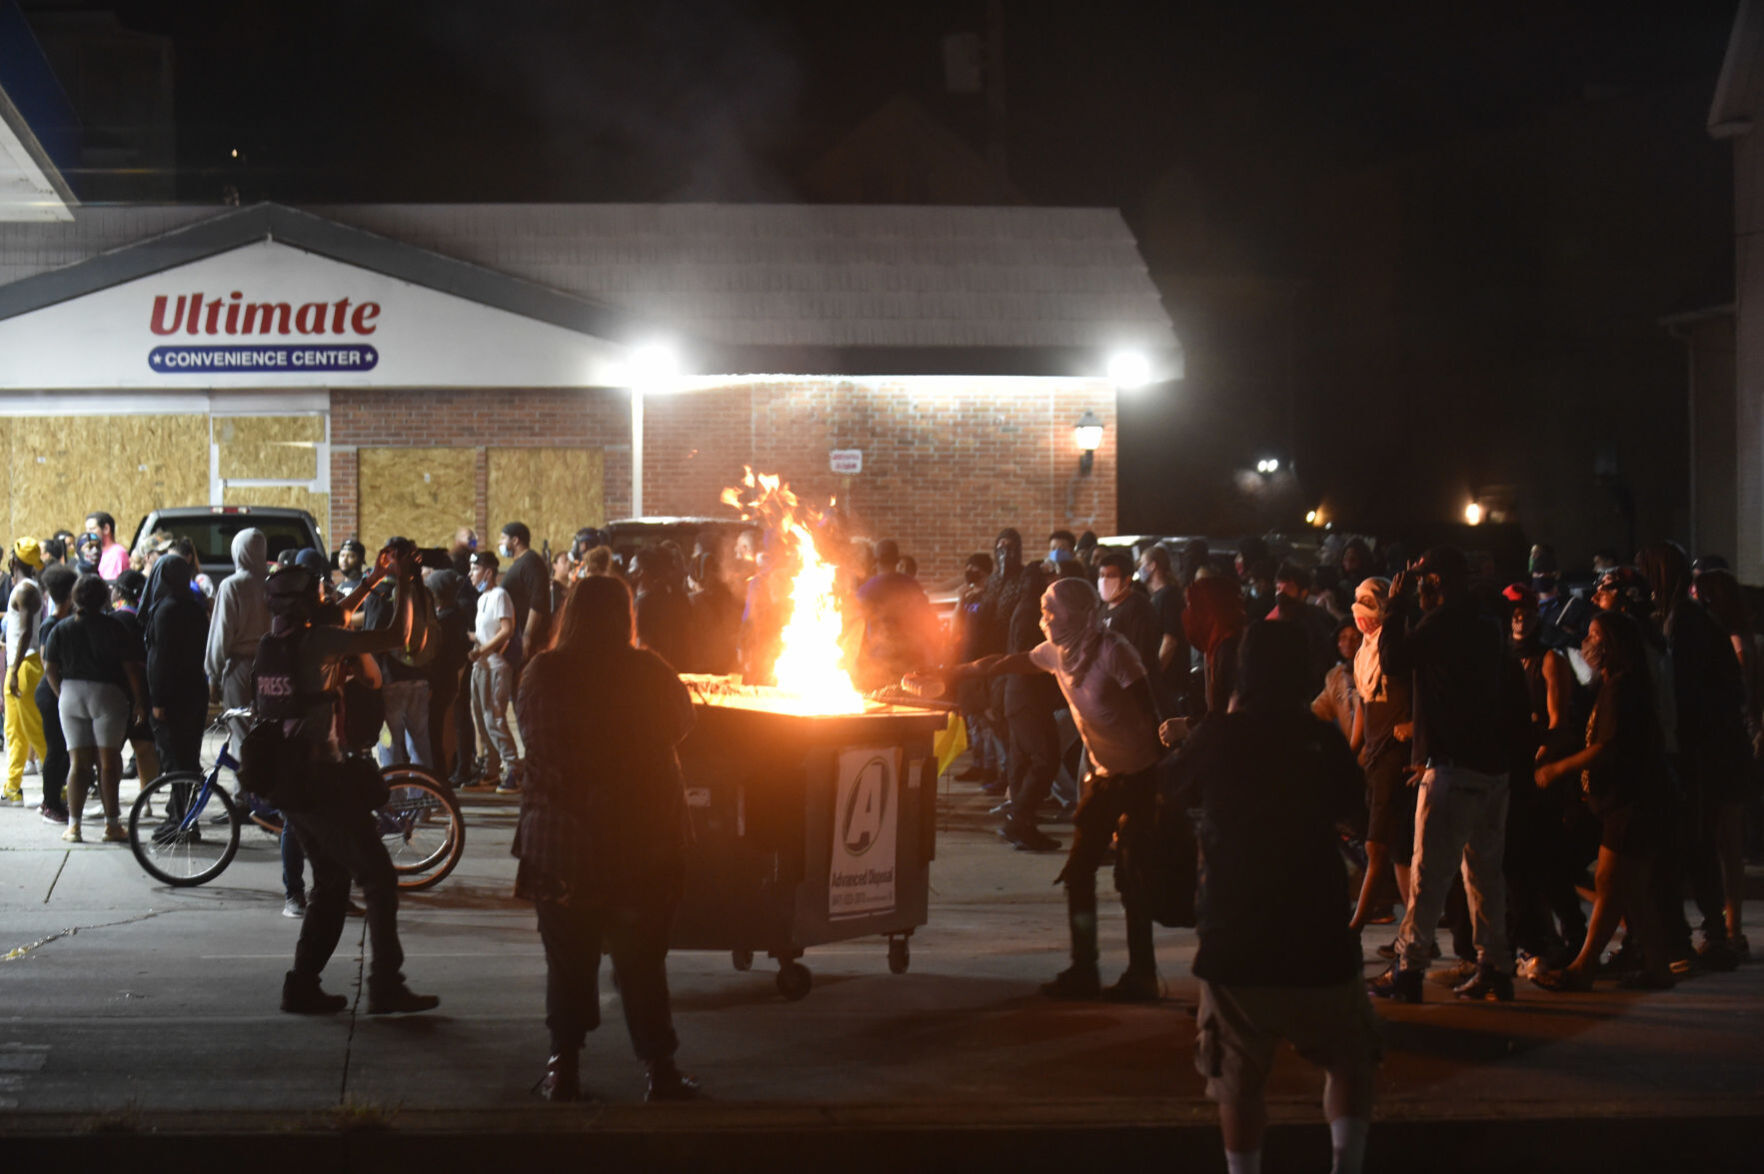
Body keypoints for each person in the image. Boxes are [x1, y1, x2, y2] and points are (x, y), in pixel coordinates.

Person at [1164, 621, 1379, 1174]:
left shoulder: (1219, 735)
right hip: (1318, 931)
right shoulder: (1320, 739)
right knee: (1349, 1060)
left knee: (1238, 1080)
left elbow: (1169, 787)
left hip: (1235, 932)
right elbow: (1354, 807)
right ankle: (1347, 1164)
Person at [513, 574, 701, 1103]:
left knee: (567, 962)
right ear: (625, 616)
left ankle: (564, 1069)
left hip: (561, 845)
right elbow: (683, 723)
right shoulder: (648, 671)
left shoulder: (542, 673)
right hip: (642, 842)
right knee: (642, 963)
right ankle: (659, 1070)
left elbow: (533, 737)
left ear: (570, 614)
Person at [935, 577, 1164, 1001]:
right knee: (1079, 872)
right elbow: (1003, 662)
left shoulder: (1113, 651)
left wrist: (1163, 775)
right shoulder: (1057, 653)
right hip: (1103, 776)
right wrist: (950, 672)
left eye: (1051, 611)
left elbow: (1152, 708)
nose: (1045, 620)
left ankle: (1143, 976)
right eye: (1043, 611)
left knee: (1133, 877)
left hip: (1138, 777)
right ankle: (1084, 969)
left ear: (1076, 614)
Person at [248, 552, 438, 1015]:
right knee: (378, 878)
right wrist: (404, 583)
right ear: (305, 604)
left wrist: (376, 579)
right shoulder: (320, 641)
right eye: (317, 594)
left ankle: (302, 985)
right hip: (321, 782)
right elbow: (396, 637)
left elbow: (338, 614)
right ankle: (385, 984)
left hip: (289, 782)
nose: (325, 598)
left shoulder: (273, 644)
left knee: (331, 884)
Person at [1368, 547, 1515, 1003]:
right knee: (1484, 875)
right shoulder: (1486, 623)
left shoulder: (1443, 621)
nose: (1416, 590)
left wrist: (1394, 609)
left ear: (1435, 583)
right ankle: (1495, 967)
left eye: (1420, 582)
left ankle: (1409, 969)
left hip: (1453, 767)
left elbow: (1393, 660)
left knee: (1428, 875)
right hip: (1491, 768)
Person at [1531, 611, 1675, 991]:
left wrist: (1557, 769)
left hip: (1632, 802)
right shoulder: (1613, 685)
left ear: (1613, 644)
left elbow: (1606, 748)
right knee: (1631, 891)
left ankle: (1583, 967)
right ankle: (1657, 967)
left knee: (1610, 882)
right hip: (1627, 801)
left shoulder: (1622, 689)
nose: (1587, 642)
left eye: (1595, 635)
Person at [1637, 542, 1749, 972]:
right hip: (1706, 749)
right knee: (1701, 844)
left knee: (1698, 842)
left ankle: (1711, 935)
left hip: (1700, 753)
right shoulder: (1685, 618)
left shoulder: (1683, 623)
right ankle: (1715, 932)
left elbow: (1682, 691)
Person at [42, 574, 147, 844]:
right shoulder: (115, 628)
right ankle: (112, 825)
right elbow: (130, 669)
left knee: (78, 764)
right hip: (108, 695)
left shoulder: (61, 628)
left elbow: (50, 667)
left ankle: (74, 827)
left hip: (71, 693)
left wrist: (61, 692)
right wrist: (138, 700)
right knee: (108, 763)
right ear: (103, 598)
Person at [1345, 578, 1416, 937]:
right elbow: (1364, 705)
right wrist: (1351, 752)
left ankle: (1355, 927)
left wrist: (1416, 727)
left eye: (1369, 602)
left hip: (1395, 755)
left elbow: (1422, 694)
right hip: (1375, 756)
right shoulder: (1364, 654)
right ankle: (1415, 932)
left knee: (1376, 846)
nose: (1361, 610)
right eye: (1358, 601)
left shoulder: (1398, 648)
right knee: (1398, 850)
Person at [205, 528, 271, 770]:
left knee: (240, 733)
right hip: (271, 666)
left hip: (240, 669)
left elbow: (221, 634)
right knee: (267, 731)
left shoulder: (232, 586)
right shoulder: (273, 584)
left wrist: (213, 675)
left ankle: (244, 787)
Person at [145, 554, 209, 777]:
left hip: (173, 695)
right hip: (195, 689)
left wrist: (157, 700)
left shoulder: (165, 610)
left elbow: (160, 657)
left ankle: (180, 798)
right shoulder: (195, 607)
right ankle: (186, 797)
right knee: (189, 755)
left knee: (174, 757)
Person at [465, 550, 520, 793]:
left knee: (494, 718)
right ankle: (491, 770)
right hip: (480, 666)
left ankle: (514, 769)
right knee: (481, 719)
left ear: (488, 572)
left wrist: (483, 650)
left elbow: (506, 630)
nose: (470, 574)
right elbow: (485, 632)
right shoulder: (482, 598)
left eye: (475, 569)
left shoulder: (500, 595)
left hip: (496, 666)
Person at [33, 565, 77, 824]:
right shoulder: (51, 624)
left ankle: (55, 800)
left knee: (63, 750)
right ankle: (49, 803)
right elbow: (46, 663)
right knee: (56, 749)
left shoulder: (64, 621)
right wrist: (61, 695)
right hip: (52, 694)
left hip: (59, 692)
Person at [4, 561, 46, 807]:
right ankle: (12, 788)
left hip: (24, 666)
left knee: (35, 729)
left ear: (14, 562)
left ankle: (59, 786)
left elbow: (26, 632)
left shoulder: (25, 590)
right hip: (19, 664)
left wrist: (14, 671)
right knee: (15, 731)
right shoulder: (27, 587)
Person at [498, 521, 552, 693]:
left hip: (528, 640)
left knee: (527, 689)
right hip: (517, 638)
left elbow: (538, 602)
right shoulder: (519, 563)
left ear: (515, 540)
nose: (500, 542)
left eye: (503, 538)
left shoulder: (531, 562)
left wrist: (527, 635)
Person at [1184, 574, 1247, 717]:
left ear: (1209, 609)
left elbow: (1233, 717)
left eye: (1191, 606)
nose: (1187, 614)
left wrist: (1189, 725)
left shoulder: (1229, 649)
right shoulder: (1217, 647)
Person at [1138, 545, 1189, 718]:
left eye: (1142, 564)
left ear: (1152, 566)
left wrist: (1155, 676)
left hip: (1170, 682)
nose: (1140, 569)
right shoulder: (1158, 597)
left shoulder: (1168, 596)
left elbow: (1170, 641)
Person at [632, 546, 693, 671]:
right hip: (673, 665)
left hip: (653, 668)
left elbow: (642, 641)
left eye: (632, 568)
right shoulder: (672, 596)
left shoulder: (646, 602)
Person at [1311, 618, 1361, 741]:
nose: (1348, 643)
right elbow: (1320, 709)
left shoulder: (1372, 672)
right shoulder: (1335, 676)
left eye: (1355, 637)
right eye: (1343, 637)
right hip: (1351, 749)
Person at [84, 511, 130, 582]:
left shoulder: (116, 553)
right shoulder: (95, 553)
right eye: (87, 530)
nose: (88, 534)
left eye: (92, 529)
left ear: (106, 529)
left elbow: (109, 584)